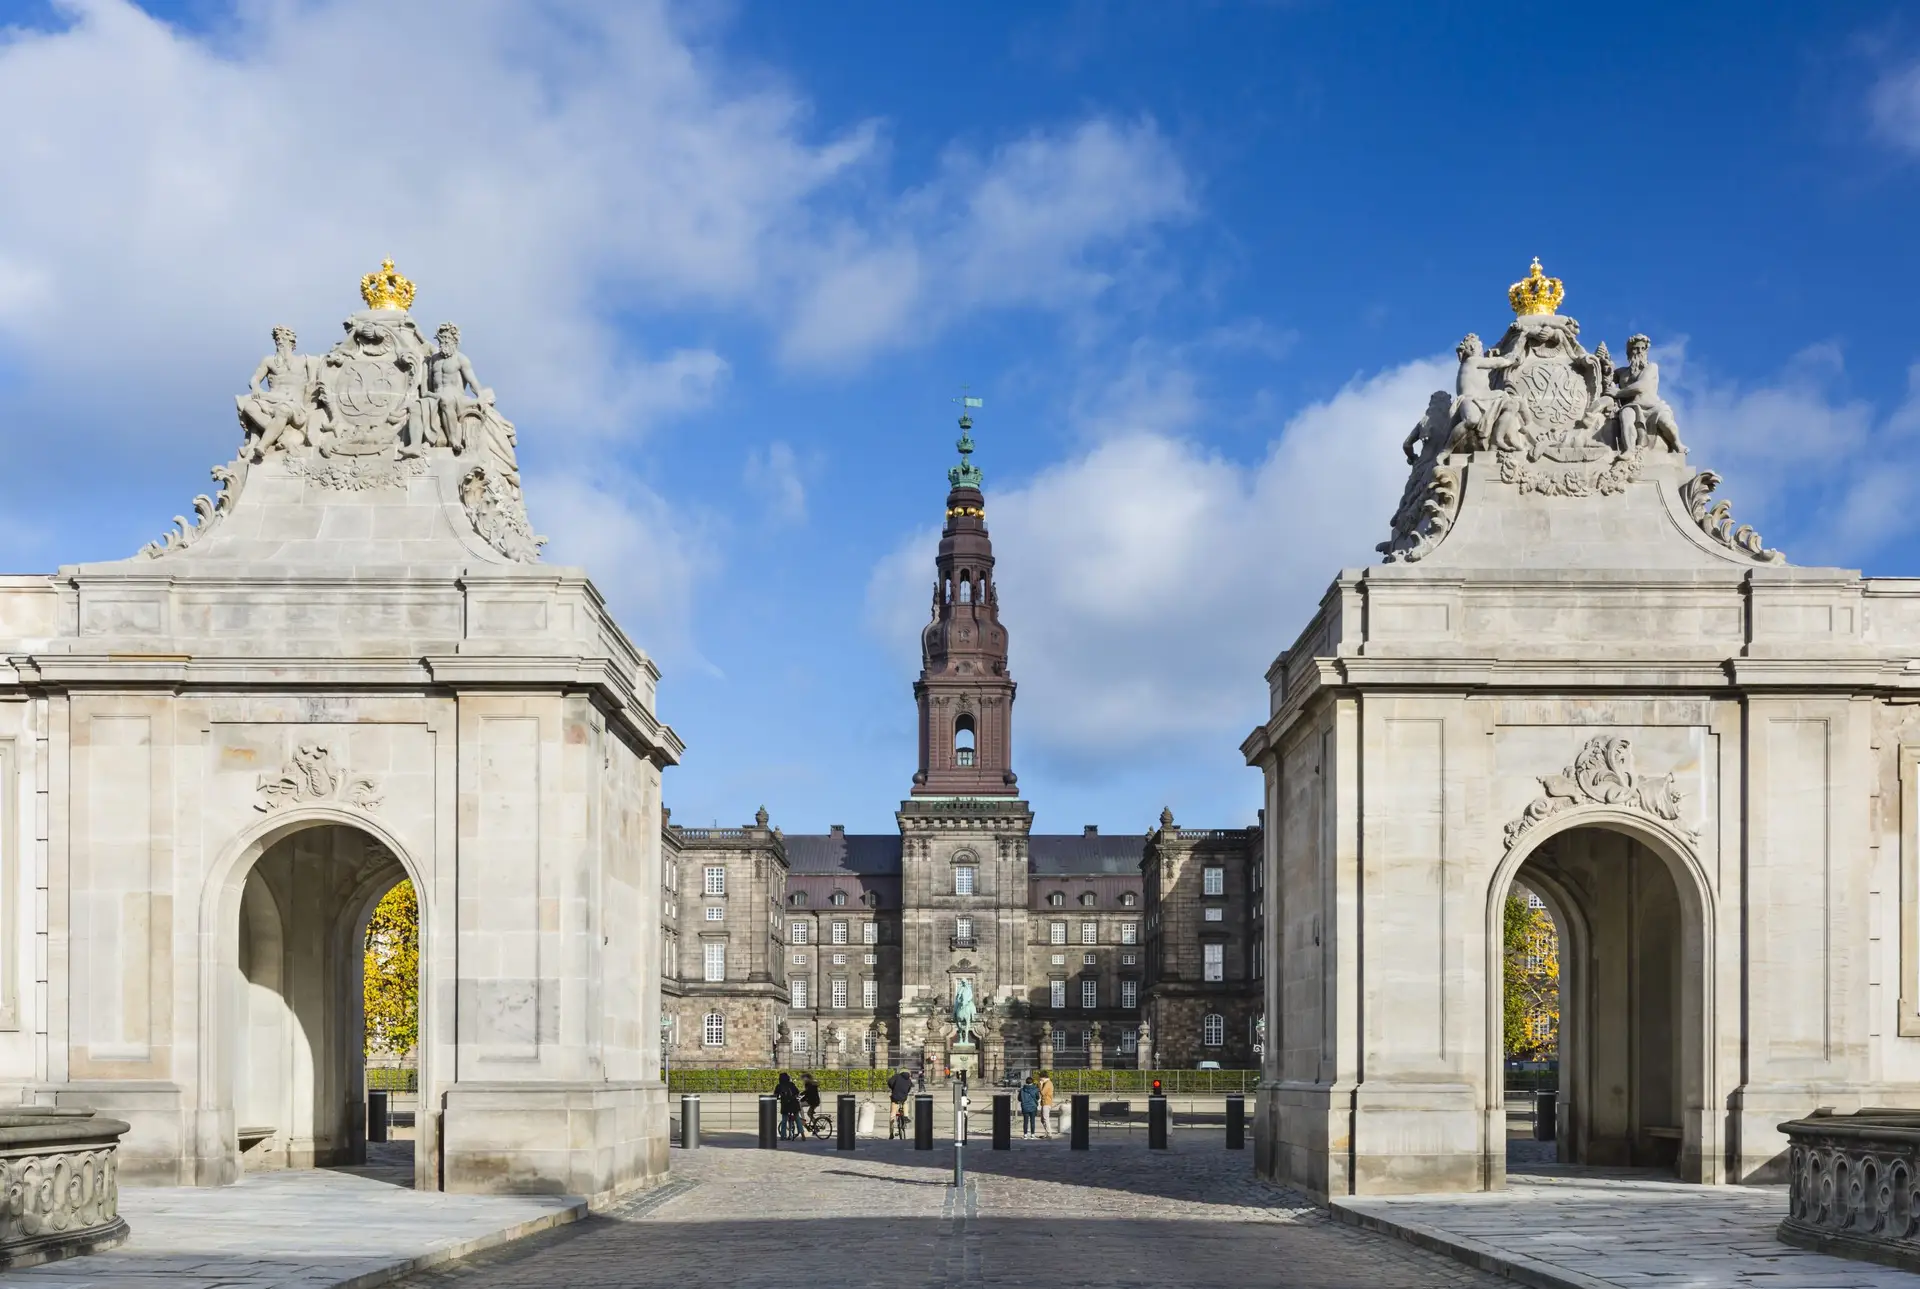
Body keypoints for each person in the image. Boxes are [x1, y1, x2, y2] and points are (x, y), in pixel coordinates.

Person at [887, 1067, 914, 1139]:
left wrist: (893, 1088)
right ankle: (905, 1116)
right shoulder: (908, 1079)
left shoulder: (896, 1076)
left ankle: (891, 1133)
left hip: (895, 1097)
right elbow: (910, 1087)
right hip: (903, 1097)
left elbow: (889, 1082)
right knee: (905, 1103)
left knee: (892, 1114)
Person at [775, 1072, 802, 1141]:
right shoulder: (792, 1084)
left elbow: (775, 1095)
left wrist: (778, 1097)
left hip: (785, 1105)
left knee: (784, 1120)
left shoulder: (779, 1086)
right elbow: (797, 1092)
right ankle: (802, 1134)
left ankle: (783, 1136)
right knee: (797, 1119)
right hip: (794, 1104)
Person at [1018, 1074, 1040, 1139]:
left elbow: (1019, 1098)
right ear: (1032, 1082)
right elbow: (1037, 1097)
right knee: (1032, 1121)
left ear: (1026, 1082)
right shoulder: (1035, 1089)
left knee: (1025, 1121)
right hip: (1033, 1106)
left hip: (1025, 1107)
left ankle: (1025, 1135)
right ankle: (1032, 1135)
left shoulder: (1022, 1090)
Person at [1036, 1070, 1056, 1139]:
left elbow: (1042, 1093)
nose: (1039, 1079)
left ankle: (1049, 1134)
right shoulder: (1046, 1083)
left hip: (1047, 1103)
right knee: (1042, 1119)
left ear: (1043, 1077)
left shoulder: (1048, 1083)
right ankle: (1047, 1133)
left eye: (1040, 1077)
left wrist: (1040, 1085)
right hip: (1044, 1103)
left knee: (1045, 1118)